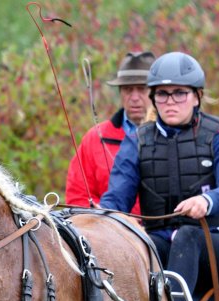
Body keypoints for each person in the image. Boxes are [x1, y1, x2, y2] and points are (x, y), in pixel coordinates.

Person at [100, 51, 219, 297]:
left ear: (197, 97)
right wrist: (102, 218)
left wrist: (206, 201)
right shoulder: (136, 141)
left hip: (217, 241)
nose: (170, 102)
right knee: (128, 244)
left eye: (180, 93)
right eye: (162, 94)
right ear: (154, 98)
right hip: (160, 240)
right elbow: (116, 199)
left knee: (187, 236)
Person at [65, 51, 155, 213]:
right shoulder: (95, 139)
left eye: (142, 89)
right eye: (127, 89)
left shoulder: (172, 135)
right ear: (120, 92)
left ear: (156, 92)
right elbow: (78, 197)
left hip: (162, 235)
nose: (134, 97)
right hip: (109, 234)